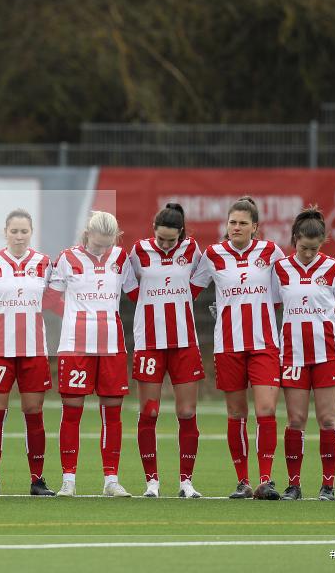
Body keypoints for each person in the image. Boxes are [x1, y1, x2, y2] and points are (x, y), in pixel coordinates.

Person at [191, 196, 285, 500]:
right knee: (236, 413)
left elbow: (288, 289)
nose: (237, 227)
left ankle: (266, 480)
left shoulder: (271, 252)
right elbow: (190, 288)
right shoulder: (213, 254)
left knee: (266, 409)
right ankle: (243, 482)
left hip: (264, 344)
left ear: (255, 227)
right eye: (232, 222)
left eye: (243, 223)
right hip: (228, 345)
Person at [273, 207, 335, 501]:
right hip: (292, 355)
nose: (308, 253)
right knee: (296, 420)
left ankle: (328, 485)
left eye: (314, 248)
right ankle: (294, 485)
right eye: (303, 247)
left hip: (327, 354)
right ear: (295, 240)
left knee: (327, 419)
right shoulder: (281, 269)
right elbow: (267, 305)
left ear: (322, 243)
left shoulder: (333, 268)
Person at [48, 211, 136, 498]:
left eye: (107, 244)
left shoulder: (121, 259)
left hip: (111, 345)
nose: (102, 249)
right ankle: (68, 479)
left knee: (112, 412)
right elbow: (51, 296)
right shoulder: (67, 258)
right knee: (72, 410)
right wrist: (75, 316)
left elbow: (136, 292)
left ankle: (111, 479)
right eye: (98, 244)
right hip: (76, 345)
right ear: (87, 234)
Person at [0, 208, 55, 496]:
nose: (19, 236)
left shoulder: (44, 264)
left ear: (31, 232)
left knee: (34, 412)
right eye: (14, 231)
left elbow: (57, 301)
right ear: (5, 232)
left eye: (24, 231)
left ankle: (37, 480)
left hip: (34, 350)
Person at [129, 204, 204, 499]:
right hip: (149, 343)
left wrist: (180, 301)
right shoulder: (139, 251)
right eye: (160, 238)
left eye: (171, 240)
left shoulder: (193, 250)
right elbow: (129, 285)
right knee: (149, 412)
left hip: (184, 342)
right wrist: (150, 305)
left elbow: (198, 283)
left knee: (186, 412)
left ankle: (186, 482)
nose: (164, 244)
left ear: (181, 235)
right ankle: (152, 483)